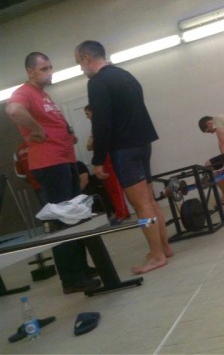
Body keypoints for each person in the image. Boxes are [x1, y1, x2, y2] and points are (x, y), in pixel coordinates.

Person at [6, 52, 101, 294]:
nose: (50, 72)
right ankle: (71, 279)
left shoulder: (43, 95)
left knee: (74, 218)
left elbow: (53, 121)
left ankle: (81, 268)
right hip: (50, 164)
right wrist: (36, 128)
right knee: (62, 222)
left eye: (50, 67)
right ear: (30, 72)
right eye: (44, 69)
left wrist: (68, 133)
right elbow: (13, 110)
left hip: (64, 161)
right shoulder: (25, 92)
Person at [74, 40, 172, 275]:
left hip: (124, 149)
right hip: (143, 143)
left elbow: (101, 122)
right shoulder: (125, 75)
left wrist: (98, 159)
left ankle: (156, 255)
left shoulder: (98, 82)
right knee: (149, 200)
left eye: (79, 63)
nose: (81, 68)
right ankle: (164, 248)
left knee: (141, 205)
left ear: (87, 57)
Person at [84, 104, 130, 221]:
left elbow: (95, 144)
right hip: (102, 159)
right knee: (109, 188)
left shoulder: (103, 124)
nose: (87, 117)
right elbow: (89, 146)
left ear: (93, 112)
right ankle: (122, 211)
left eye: (88, 114)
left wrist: (94, 142)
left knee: (115, 186)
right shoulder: (95, 127)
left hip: (108, 158)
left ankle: (122, 213)